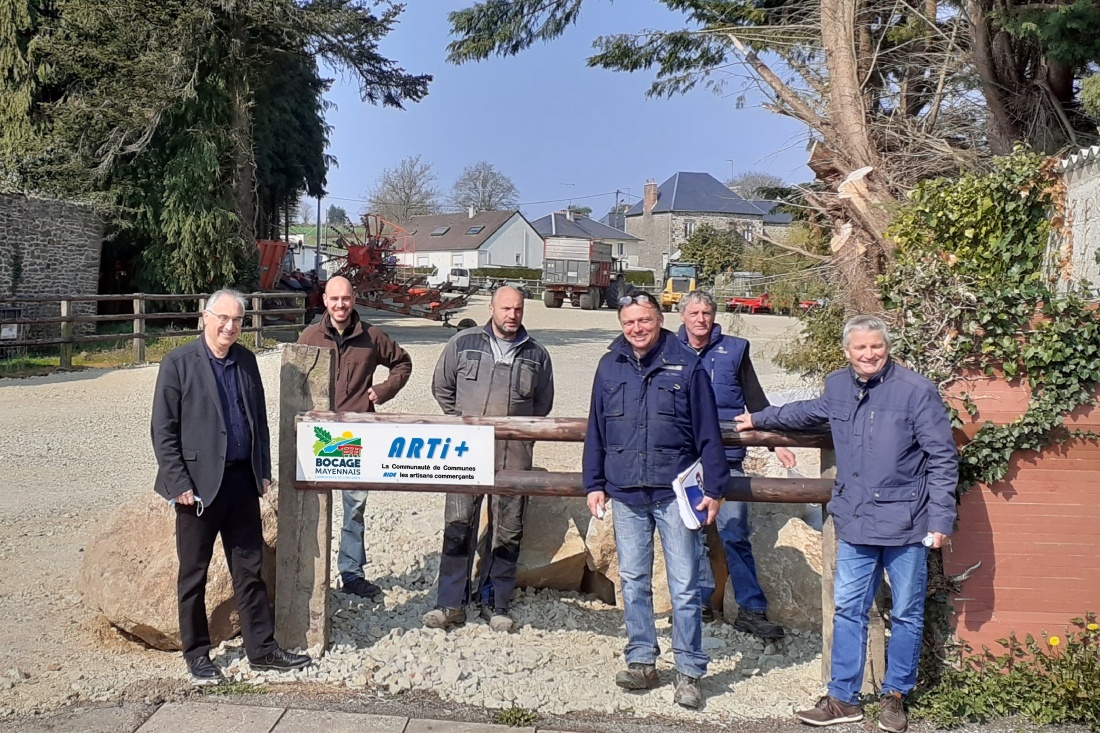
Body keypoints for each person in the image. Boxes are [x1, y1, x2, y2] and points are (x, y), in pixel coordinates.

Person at [734, 315, 957, 733]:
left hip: (907, 523)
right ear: (847, 351)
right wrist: (761, 418)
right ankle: (842, 698)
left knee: (907, 612)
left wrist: (940, 518)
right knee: (848, 610)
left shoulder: (916, 391)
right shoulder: (838, 385)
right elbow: (810, 412)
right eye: (860, 348)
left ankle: (894, 695)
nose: (869, 354)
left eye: (876, 346)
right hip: (855, 520)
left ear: (887, 347)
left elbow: (943, 459)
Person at [151, 289, 311, 687]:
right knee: (194, 574)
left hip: (241, 481)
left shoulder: (246, 360)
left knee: (250, 568)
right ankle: (197, 654)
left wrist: (262, 470)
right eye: (223, 318)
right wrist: (179, 483)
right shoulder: (178, 364)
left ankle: (262, 649)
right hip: (198, 489)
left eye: (237, 320)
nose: (230, 326)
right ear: (205, 318)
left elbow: (258, 419)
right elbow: (163, 430)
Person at [583, 291, 728, 710]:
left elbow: (708, 433)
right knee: (633, 582)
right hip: (626, 492)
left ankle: (688, 672)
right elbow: (596, 428)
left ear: (659, 319)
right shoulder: (609, 365)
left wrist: (715, 489)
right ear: (621, 325)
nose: (636, 329)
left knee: (683, 587)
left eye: (644, 321)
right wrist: (593, 482)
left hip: (674, 493)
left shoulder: (686, 363)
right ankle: (642, 660)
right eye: (628, 323)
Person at [424, 286, 554, 633]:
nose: (512, 315)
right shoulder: (463, 343)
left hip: (513, 454)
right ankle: (450, 603)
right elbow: (442, 388)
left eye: (518, 309)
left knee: (508, 529)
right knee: (458, 524)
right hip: (465, 450)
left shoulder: (537, 355)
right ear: (493, 309)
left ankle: (496, 602)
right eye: (506, 308)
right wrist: (466, 424)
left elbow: (543, 405)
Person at [677, 290, 792, 639]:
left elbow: (755, 400)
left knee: (735, 533)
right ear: (682, 316)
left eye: (707, 312)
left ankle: (751, 609)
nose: (701, 319)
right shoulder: (668, 350)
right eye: (694, 312)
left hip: (727, 461)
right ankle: (698, 604)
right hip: (685, 460)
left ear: (714, 316)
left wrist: (775, 444)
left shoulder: (735, 351)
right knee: (689, 533)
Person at [297, 276, 412, 599]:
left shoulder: (372, 337)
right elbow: (292, 379)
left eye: (345, 299)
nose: (340, 305)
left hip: (356, 436)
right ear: (324, 301)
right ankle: (309, 571)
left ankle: (351, 572)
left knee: (354, 507)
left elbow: (402, 362)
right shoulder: (309, 337)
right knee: (313, 507)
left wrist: (384, 390)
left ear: (354, 299)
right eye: (334, 299)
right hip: (317, 437)